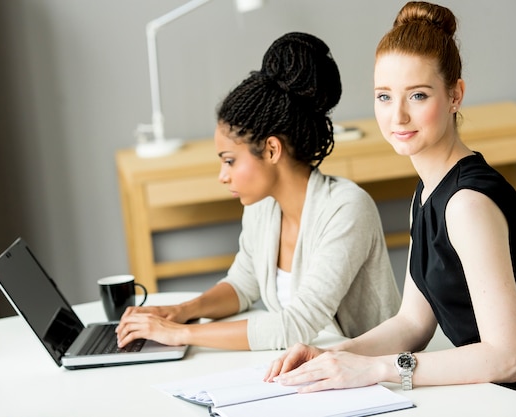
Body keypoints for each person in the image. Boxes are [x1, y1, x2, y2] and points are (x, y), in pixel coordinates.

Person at [264, 3, 516, 414]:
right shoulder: (427, 193)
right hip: (491, 392)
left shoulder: (467, 204)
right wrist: (330, 355)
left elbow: (506, 359)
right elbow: (413, 324)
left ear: (455, 94)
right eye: (384, 97)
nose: (397, 115)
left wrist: (375, 370)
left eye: (418, 95)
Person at [116, 32, 401, 352]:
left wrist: (181, 334)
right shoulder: (263, 207)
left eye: (230, 161)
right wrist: (181, 312)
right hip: (305, 370)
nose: (222, 176)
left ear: (271, 150)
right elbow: (242, 285)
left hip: (371, 375)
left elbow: (297, 325)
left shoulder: (347, 208)